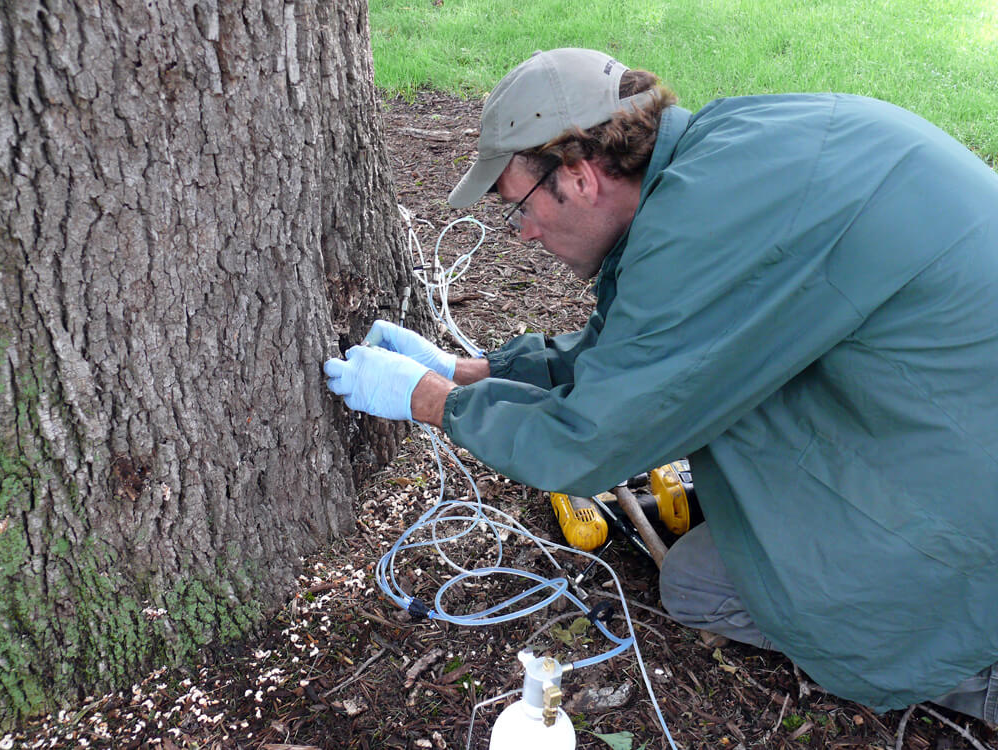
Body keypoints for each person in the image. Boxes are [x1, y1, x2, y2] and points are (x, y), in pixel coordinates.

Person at [324, 48, 998, 722]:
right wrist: (469, 370)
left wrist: (424, 399)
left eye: (518, 207)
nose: (524, 234)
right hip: (922, 414)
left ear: (580, 175)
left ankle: (976, 670)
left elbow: (587, 444)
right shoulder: (723, 160)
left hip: (959, 488)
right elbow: (636, 351)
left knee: (700, 585)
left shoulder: (702, 222)